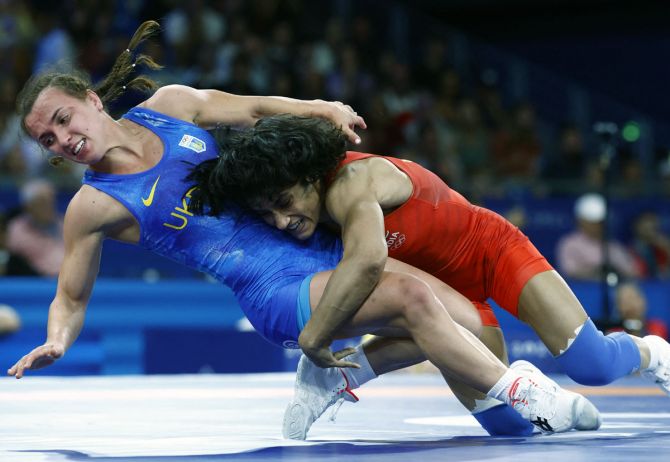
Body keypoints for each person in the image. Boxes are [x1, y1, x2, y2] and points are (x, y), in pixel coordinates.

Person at [6, 20, 591, 438]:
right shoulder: (91, 207)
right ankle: (530, 395)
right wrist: (59, 338)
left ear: (89, 99)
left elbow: (257, 110)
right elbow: (71, 295)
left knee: (463, 314)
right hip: (272, 292)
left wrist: (318, 107)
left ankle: (332, 379)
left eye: (63, 118)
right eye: (48, 141)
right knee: (414, 300)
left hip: (315, 247)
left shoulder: (173, 104)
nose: (63, 139)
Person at [190, 114, 670, 438]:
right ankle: (340, 377)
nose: (280, 221)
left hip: (491, 250)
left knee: (593, 365)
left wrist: (315, 340)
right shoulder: (310, 216)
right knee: (511, 429)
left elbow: (366, 264)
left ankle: (653, 352)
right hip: (442, 296)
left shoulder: (354, 185)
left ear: (309, 174)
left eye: (283, 202)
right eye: (266, 213)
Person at [556, 193, 639, 281]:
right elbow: (569, 272)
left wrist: (615, 271)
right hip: (582, 291)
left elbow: (632, 272)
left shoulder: (613, 245)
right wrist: (596, 271)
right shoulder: (569, 244)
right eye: (592, 221)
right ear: (580, 221)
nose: (597, 225)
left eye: (600, 222)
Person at [6, 178, 65, 277]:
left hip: (69, 281)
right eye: (43, 202)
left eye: (51, 200)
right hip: (35, 282)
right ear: (28, 206)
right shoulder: (17, 228)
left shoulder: (64, 223)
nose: (49, 205)